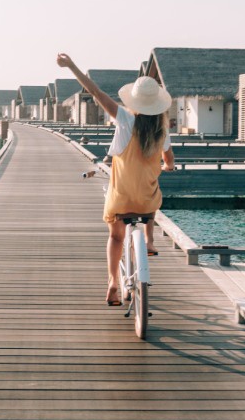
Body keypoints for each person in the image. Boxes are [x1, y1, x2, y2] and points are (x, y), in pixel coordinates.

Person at [56, 53, 175, 306]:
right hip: (146, 200)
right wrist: (168, 166)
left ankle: (112, 281)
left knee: (116, 237)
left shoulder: (125, 119)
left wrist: (71, 65)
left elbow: (96, 92)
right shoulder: (162, 130)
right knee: (153, 197)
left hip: (121, 196)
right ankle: (149, 240)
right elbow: (169, 159)